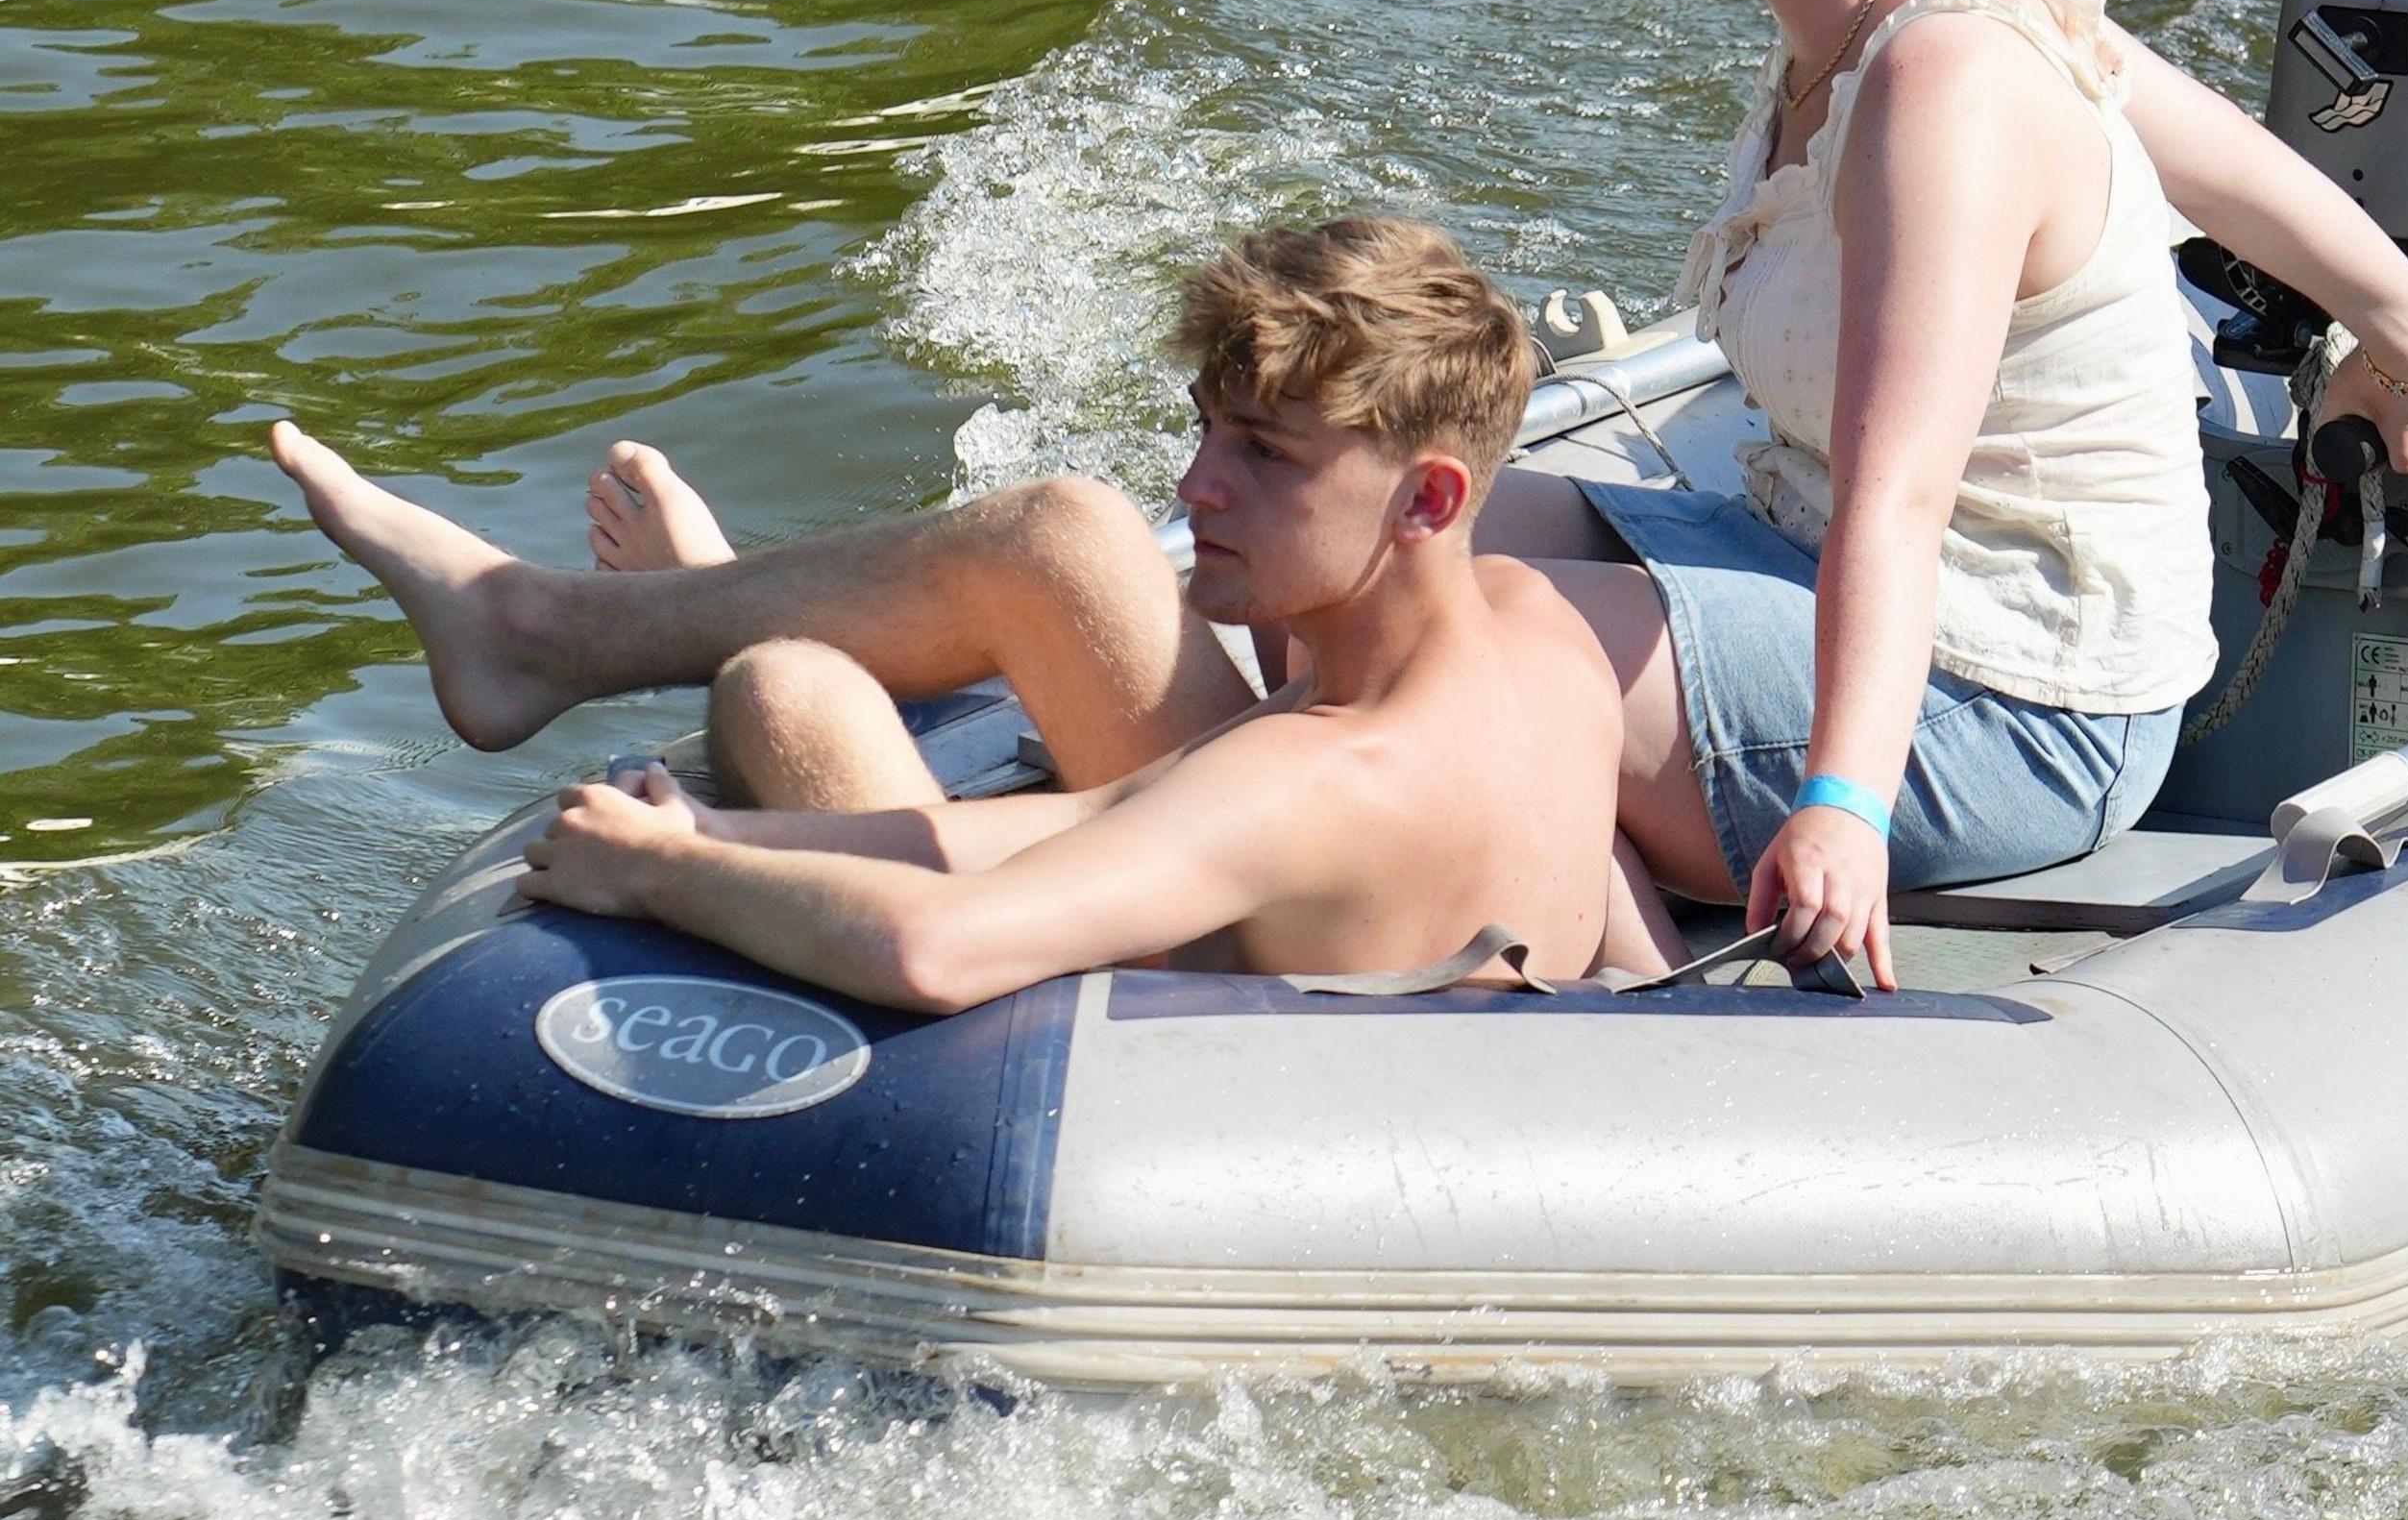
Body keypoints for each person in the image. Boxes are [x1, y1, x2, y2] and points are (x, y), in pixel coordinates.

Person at [583, 0, 2408, 993]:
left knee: (1489, 630)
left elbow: (1898, 495)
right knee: (1401, 538)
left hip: (2004, 699)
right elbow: (2204, 140)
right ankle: (700, 643)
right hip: (1794, 551)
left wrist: (1846, 807)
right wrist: (2392, 318)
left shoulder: (1942, 90)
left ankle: (927, 859)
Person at [275, 218, 1669, 1007]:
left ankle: (575, 628)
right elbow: (1608, 916)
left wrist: (657, 871)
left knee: (781, 698)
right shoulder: (1538, 628)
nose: (1199, 486)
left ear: (1426, 500)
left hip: (1147, 1065)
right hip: (1321, 934)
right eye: (1205, 433)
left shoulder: (1312, 782)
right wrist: (723, 829)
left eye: (1266, 456)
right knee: (810, 677)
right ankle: (644, 612)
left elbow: (936, 951)